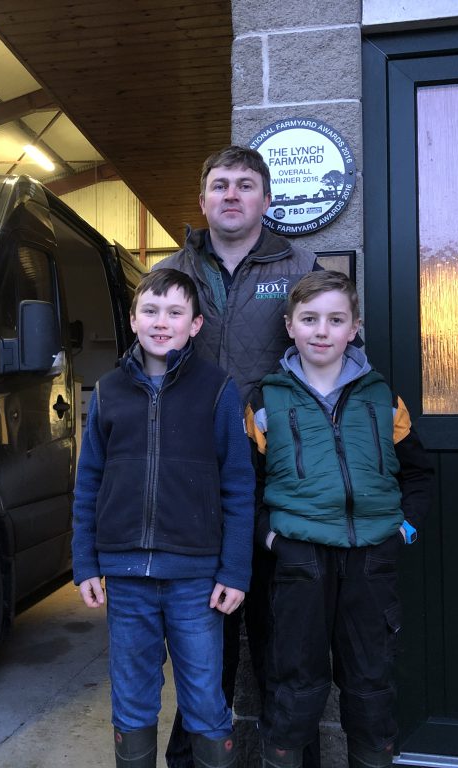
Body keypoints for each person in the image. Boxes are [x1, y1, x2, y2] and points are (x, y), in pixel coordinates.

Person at [155, 145, 319, 767]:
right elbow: (146, 361)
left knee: (284, 641)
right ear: (201, 201)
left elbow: (334, 354)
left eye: (245, 185)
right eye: (219, 185)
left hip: (281, 480)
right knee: (202, 644)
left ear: (265, 200)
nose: (231, 195)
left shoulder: (301, 265)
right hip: (195, 482)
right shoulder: (172, 273)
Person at [246, 271, 433, 768]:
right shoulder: (265, 403)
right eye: (309, 319)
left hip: (372, 560)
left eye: (335, 320)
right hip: (299, 562)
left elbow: (418, 474)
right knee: (294, 686)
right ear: (290, 326)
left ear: (354, 328)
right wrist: (269, 538)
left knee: (370, 686)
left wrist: (403, 528)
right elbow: (247, 486)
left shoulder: (383, 399)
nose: (321, 331)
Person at [72, 268, 255, 768]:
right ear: (133, 319)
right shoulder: (109, 391)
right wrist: (86, 562)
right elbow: (88, 481)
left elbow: (239, 486)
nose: (161, 322)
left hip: (196, 580)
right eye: (150, 310)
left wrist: (234, 570)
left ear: (195, 324)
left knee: (204, 698)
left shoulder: (218, 390)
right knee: (132, 699)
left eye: (175, 312)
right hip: (127, 579)